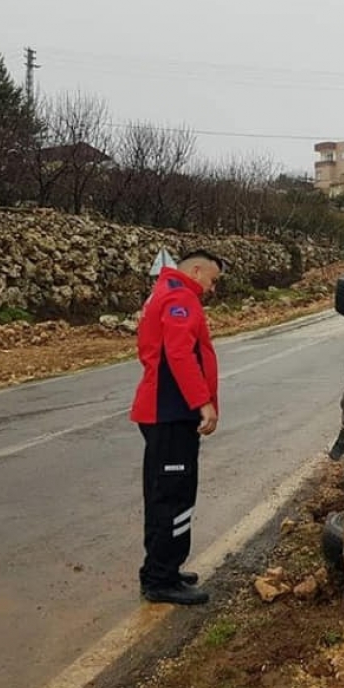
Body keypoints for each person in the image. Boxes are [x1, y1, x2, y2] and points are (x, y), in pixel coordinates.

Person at [130, 249, 224, 605]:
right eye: (212, 280)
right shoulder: (179, 297)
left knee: (165, 494)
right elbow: (179, 354)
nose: (212, 288)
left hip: (167, 412)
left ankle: (162, 568)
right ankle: (160, 579)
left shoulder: (167, 291)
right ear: (196, 270)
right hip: (170, 413)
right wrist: (203, 403)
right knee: (172, 496)